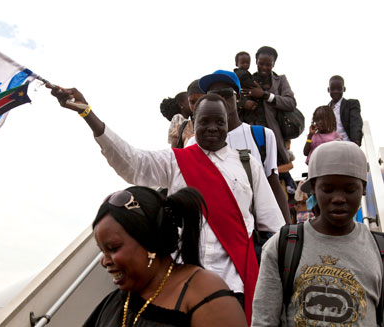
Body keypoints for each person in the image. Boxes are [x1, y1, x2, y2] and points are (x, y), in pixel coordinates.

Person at [48, 85, 284, 323]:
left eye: (219, 122)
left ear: (228, 123)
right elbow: (132, 162)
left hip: (237, 285)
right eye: (205, 121)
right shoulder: (175, 161)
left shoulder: (248, 164)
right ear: (193, 122)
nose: (213, 128)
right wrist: (88, 115)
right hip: (179, 286)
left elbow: (273, 226)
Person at [252, 141, 383, 326]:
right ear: (313, 188)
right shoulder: (283, 245)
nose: (338, 198)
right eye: (328, 189)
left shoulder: (379, 250)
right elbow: (264, 320)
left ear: (363, 188)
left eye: (349, 189)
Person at [84, 186, 247, 326]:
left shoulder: (205, 295)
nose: (104, 261)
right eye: (102, 251)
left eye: (113, 248)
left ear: (149, 240)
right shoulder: (117, 302)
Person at [188, 70, 291, 223]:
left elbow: (273, 183)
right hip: (211, 229)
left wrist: (287, 231)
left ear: (238, 97)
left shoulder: (261, 135)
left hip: (253, 233)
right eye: (213, 94)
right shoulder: (194, 143)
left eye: (226, 93)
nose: (221, 98)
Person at [240, 46, 297, 165]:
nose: (264, 68)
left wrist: (265, 95)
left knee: (272, 171)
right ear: (256, 61)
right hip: (250, 134)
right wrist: (244, 103)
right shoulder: (247, 79)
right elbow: (235, 99)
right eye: (261, 64)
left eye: (268, 65)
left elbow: (291, 103)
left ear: (274, 64)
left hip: (273, 136)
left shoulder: (280, 80)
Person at [328, 75, 363, 146]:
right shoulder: (325, 109)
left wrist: (356, 141)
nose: (335, 91)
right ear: (328, 89)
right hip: (329, 145)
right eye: (333, 89)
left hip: (347, 144)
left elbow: (356, 123)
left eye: (339, 89)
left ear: (344, 89)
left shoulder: (351, 104)